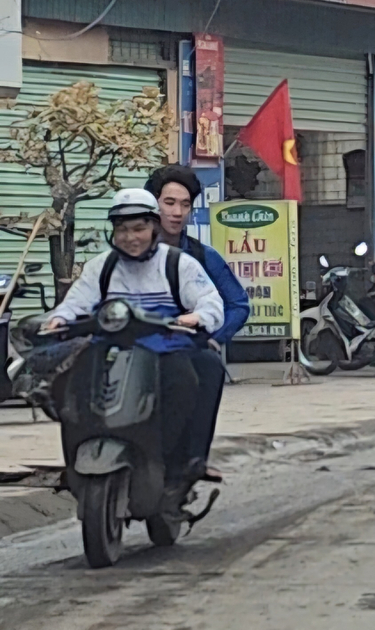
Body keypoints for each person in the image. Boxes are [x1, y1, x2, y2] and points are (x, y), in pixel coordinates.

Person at [41, 189, 225, 492]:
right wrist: (59, 319)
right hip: (108, 350)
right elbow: (76, 303)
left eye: (139, 228)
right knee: (67, 383)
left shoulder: (178, 264)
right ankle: (75, 461)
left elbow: (210, 302)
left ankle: (181, 462)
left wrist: (195, 318)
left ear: (154, 227)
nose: (131, 237)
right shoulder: (102, 267)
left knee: (198, 373)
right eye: (123, 229)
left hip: (166, 349)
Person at [147, 165, 250, 483]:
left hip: (185, 348)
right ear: (152, 204)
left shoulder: (204, 258)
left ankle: (194, 457)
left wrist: (214, 338)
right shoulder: (127, 254)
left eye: (185, 204)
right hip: (135, 343)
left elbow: (238, 304)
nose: (177, 212)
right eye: (169, 202)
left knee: (209, 366)